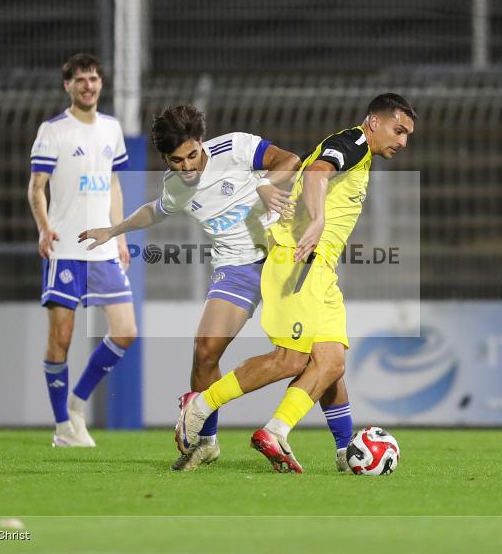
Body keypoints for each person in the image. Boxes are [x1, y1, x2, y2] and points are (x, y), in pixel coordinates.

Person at [79, 104, 355, 471]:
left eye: (193, 155)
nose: (188, 166)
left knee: (320, 357)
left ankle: (345, 447)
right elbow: (156, 209)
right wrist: (113, 230)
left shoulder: (236, 148)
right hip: (237, 268)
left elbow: (289, 159)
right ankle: (206, 442)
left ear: (202, 142)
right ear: (165, 158)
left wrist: (264, 184)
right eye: (177, 160)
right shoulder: (176, 185)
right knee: (205, 349)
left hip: (283, 256)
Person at [174, 93, 416, 473]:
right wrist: (317, 220)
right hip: (298, 259)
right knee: (291, 359)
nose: (402, 141)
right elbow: (317, 171)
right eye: (398, 130)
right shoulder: (353, 142)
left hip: (323, 269)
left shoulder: (362, 156)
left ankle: (277, 430)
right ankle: (200, 406)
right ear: (374, 122)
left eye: (407, 135)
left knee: (331, 361)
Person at [27, 53, 137, 447]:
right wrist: (44, 229)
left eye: (93, 79)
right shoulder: (53, 130)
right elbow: (37, 186)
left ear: (100, 84)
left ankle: (77, 403)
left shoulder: (111, 128)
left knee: (125, 331)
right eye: (80, 80)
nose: (88, 86)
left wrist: (120, 235)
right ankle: (62, 428)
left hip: (104, 250)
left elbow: (114, 186)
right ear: (68, 86)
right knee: (62, 338)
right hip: (66, 249)